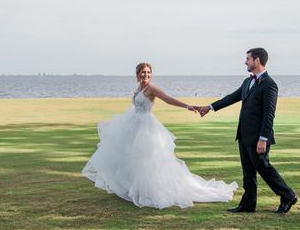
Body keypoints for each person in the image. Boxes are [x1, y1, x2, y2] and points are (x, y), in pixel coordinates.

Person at [82, 62, 238, 209]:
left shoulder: (151, 88)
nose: (146, 75)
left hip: (146, 127)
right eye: (143, 72)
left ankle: (149, 191)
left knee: (147, 159)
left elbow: (168, 99)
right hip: (133, 123)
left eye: (149, 72)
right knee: (130, 157)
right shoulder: (138, 88)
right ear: (137, 74)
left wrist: (187, 106)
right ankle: (133, 188)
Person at [197, 48, 297, 214]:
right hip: (243, 135)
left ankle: (288, 195)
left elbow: (269, 114)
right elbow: (231, 97)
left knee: (264, 168)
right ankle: (248, 204)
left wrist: (263, 138)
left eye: (248, 59)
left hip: (258, 138)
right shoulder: (247, 82)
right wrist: (210, 107)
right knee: (248, 171)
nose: (245, 62)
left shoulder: (270, 85)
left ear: (257, 60)